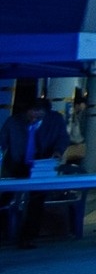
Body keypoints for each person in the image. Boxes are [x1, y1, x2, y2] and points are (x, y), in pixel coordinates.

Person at [3, 98, 75, 245]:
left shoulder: (55, 120)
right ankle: (5, 232)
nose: (34, 118)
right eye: (31, 115)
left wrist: (58, 152)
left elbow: (63, 138)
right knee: (5, 196)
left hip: (42, 164)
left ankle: (28, 237)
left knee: (36, 201)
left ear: (45, 113)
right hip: (17, 164)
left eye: (38, 115)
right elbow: (2, 141)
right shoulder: (14, 121)